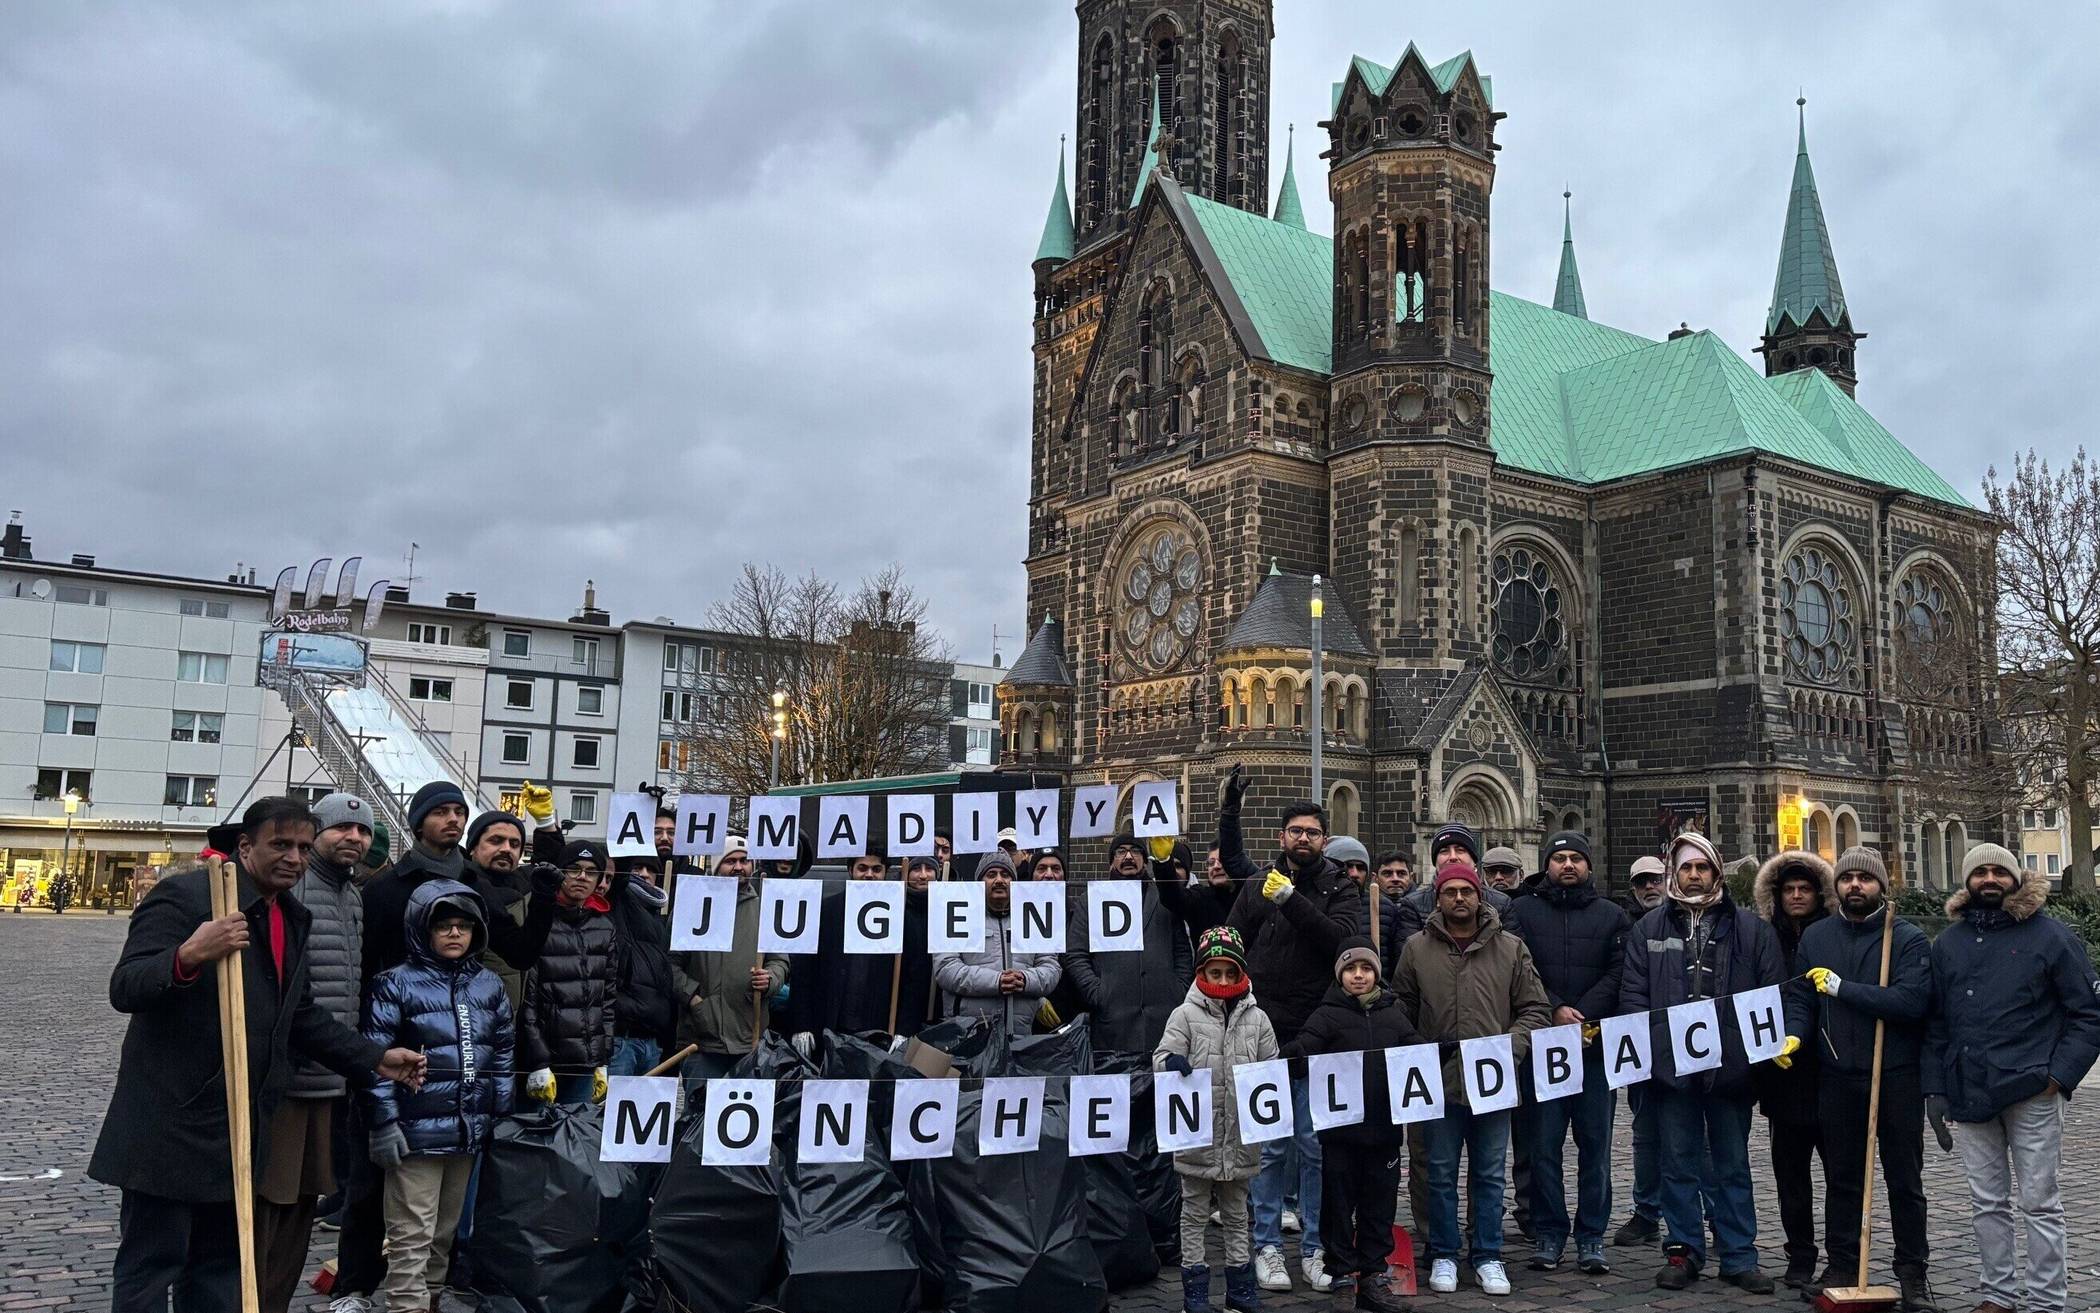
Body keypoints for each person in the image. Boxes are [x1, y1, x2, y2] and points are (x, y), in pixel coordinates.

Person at [91, 797, 425, 1313]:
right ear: (245, 846)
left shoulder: (290, 915)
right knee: (152, 1266)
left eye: (303, 847)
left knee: (223, 1266)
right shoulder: (186, 897)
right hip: (172, 1122)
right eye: (281, 845)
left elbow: (302, 1015)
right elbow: (126, 987)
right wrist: (189, 955)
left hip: (243, 1124)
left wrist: (374, 1058)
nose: (294, 857)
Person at [1925, 843, 2100, 1313]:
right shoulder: (1949, 943)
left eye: (1997, 872)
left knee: (2040, 1203)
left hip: (2032, 1089)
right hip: (1970, 1088)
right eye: (1979, 872)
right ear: (1967, 881)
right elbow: (1936, 1022)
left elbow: (2088, 1013)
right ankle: (1997, 1296)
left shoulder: (2050, 936)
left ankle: (2046, 1301)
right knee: (1987, 1202)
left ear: (2015, 878)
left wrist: (2059, 1076)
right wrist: (1935, 1088)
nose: (1989, 880)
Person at [1620, 831, 1783, 1293]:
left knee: (1731, 1165)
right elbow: (1634, 996)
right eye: (1687, 868)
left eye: (1703, 868)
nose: (1694, 876)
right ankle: (1683, 1249)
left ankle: (1738, 1255)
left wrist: (1750, 1059)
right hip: (1670, 1071)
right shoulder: (1649, 929)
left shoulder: (1751, 929)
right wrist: (1655, 1056)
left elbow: (1768, 994)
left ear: (1716, 872)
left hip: (1730, 1071)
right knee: (1677, 1163)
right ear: (1675, 872)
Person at [1220, 768, 1358, 1294]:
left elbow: (1341, 944)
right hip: (1264, 1033)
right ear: (1282, 837)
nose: (1303, 839)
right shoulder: (1257, 885)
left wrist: (1292, 901)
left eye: (1313, 832)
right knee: (1271, 1149)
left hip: (1320, 1035)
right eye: (1295, 831)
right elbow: (1230, 945)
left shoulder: (1339, 887)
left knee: (1315, 1145)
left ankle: (1315, 1248)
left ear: (1324, 840)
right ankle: (1267, 1247)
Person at [1779, 847, 1936, 1310]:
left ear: (1880, 887)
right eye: (1847, 878)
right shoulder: (1818, 938)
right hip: (1838, 1074)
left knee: (1904, 1179)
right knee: (1843, 1178)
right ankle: (1842, 1263)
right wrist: (1793, 1036)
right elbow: (1803, 998)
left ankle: (1913, 1272)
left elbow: (1911, 1003)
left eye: (1864, 880)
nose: (1855, 886)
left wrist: (1844, 989)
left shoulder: (1905, 939)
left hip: (1895, 1076)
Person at [1393, 859, 1551, 1297]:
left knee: (1488, 1174)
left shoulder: (1511, 947)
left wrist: (1509, 1047)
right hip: (1438, 1082)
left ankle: (1488, 1254)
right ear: (1438, 897)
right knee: (1439, 1172)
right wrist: (1413, 1041)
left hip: (1494, 1081)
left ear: (1479, 895)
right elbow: (1402, 1006)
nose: (1459, 899)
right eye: (1450, 892)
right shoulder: (1416, 949)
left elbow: (1534, 1009)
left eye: (1467, 891)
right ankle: (1444, 1252)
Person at [360, 880, 514, 1313]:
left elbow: (501, 1054)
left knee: (444, 1231)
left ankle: (429, 1301)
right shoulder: (395, 984)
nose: (454, 934)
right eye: (443, 925)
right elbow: (375, 1057)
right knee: (412, 1231)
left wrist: (500, 1117)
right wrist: (384, 1121)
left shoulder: (488, 985)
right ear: (422, 929)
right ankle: (406, 1306)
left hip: (468, 1131)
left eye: (463, 926)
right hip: (415, 1132)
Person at [252, 793, 372, 1312]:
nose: (354, 838)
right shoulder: (293, 886)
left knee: (300, 1210)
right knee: (267, 1209)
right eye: (342, 828)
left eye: (363, 831)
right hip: (289, 1078)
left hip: (329, 1076)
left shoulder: (353, 896)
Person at [1502, 830, 1627, 1276]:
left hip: (1594, 1049)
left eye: (1577, 858)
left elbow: (1620, 971)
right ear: (1548, 865)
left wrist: (1584, 1012)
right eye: (1560, 859)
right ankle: (1550, 1231)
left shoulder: (1613, 915)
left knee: (1596, 1148)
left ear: (1589, 866)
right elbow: (1521, 967)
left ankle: (1591, 1235)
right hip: (1543, 1047)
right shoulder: (1522, 911)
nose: (1568, 865)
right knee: (1543, 1147)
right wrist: (1554, 1008)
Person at [1283, 937, 1419, 1312]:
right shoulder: (1326, 1015)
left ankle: (1373, 1277)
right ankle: (1342, 1273)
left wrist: (1439, 1050)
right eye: (1350, 969)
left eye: (1366, 969)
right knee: (1338, 1206)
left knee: (1379, 1206)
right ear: (1339, 975)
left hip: (1384, 1132)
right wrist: (1293, 1053)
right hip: (1339, 1133)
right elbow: (1304, 1049)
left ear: (1376, 973)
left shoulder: (1394, 1014)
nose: (1358, 976)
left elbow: (1415, 1051)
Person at [1157, 926, 1277, 1313]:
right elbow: (1161, 1058)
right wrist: (1171, 1063)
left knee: (1237, 1214)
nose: (1223, 980)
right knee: (1192, 1214)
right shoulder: (1184, 1015)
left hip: (1241, 1137)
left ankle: (1240, 1291)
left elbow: (1269, 1069)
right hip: (1198, 1136)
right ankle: (1195, 1292)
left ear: (1240, 972)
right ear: (1202, 973)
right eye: (1215, 972)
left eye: (1230, 972)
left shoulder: (1257, 1019)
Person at [1751, 847, 1834, 1287]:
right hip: (1782, 1073)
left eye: (1805, 889)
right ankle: (1799, 1253)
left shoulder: (1836, 934)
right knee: (1791, 1175)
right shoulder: (1765, 938)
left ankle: (1840, 1255)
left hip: (1831, 1071)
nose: (1797, 896)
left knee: (1839, 1174)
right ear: (1777, 895)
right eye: (1789, 890)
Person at [673, 834, 792, 1079]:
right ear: (716, 867)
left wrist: (770, 979)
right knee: (700, 1115)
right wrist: (695, 1000)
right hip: (702, 1040)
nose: (739, 867)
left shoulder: (766, 908)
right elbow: (669, 965)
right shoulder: (692, 905)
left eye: (744, 860)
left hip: (751, 1036)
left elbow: (780, 960)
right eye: (730, 861)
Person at [1064, 833, 1194, 1055]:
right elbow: (1075, 954)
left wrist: (1177, 989)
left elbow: (1182, 950)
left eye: (1135, 851)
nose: (1128, 857)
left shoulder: (1165, 898)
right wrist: (1098, 992)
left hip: (1163, 1019)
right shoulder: (1091, 899)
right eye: (1120, 852)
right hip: (1113, 1023)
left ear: (1145, 859)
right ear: (1111, 860)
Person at [519, 841, 621, 1105]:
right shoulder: (539, 919)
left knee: (576, 1140)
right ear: (560, 872)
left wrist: (603, 1059)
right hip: (545, 1062)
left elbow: (606, 1001)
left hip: (585, 1062)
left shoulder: (604, 926)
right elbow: (528, 1002)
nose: (582, 877)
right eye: (573, 869)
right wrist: (538, 1060)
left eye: (591, 871)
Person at [933, 850, 1061, 1039]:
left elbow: (1051, 967)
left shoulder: (1034, 916)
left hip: (1021, 1034)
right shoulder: (958, 914)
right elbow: (946, 969)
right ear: (979, 882)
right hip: (969, 1035)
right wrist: (996, 981)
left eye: (1006, 874)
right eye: (991, 875)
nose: (999, 880)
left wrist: (1025, 980)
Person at [606, 853, 683, 1076]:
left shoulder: (657, 915)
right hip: (623, 1039)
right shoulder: (618, 903)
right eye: (637, 867)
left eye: (650, 870)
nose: (644, 874)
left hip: (652, 1040)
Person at [1394, 823, 1512, 941]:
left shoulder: (1501, 903)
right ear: (1435, 862)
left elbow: (1511, 952)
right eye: (1444, 851)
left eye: (1460, 850)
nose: (1452, 857)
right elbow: (1408, 954)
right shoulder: (1412, 905)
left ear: (1474, 860)